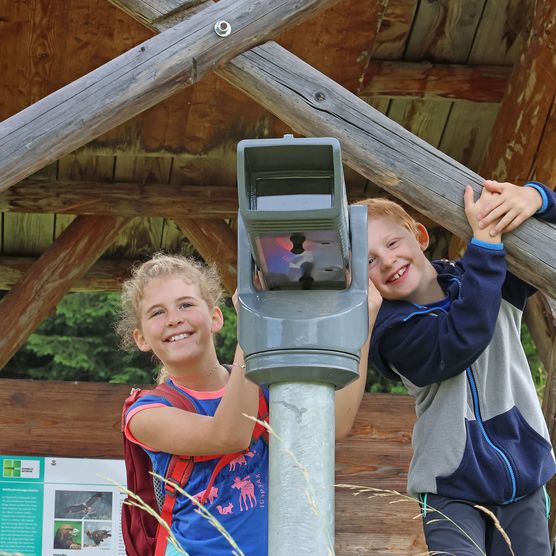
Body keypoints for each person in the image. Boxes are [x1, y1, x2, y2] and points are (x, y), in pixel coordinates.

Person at [117, 252, 380, 555]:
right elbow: (229, 435)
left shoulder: (263, 387)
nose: (174, 318)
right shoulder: (144, 414)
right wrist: (252, 332)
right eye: (156, 313)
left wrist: (364, 317)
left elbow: (333, 425)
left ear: (216, 317)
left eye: (186, 305)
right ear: (141, 338)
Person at [361, 180, 556, 555]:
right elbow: (461, 339)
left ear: (419, 235)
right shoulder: (391, 332)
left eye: (391, 243)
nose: (386, 261)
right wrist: (485, 250)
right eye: (368, 260)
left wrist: (536, 197)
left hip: (525, 478)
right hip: (451, 489)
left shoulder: (489, 274)